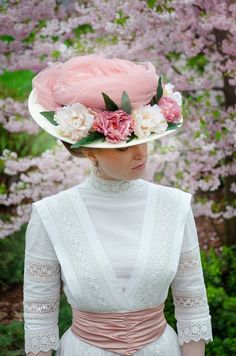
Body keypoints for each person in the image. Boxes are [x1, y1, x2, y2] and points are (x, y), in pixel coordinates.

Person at [24, 54, 213, 356]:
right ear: (90, 152)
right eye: (125, 146)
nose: (141, 154)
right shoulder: (51, 214)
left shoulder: (174, 205)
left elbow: (192, 306)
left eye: (144, 140)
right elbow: (39, 318)